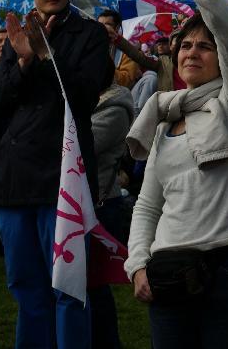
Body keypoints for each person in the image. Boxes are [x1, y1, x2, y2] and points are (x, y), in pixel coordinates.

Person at [125, 0, 228, 349]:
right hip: (169, 268)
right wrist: (138, 265)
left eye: (204, 47)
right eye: (185, 45)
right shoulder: (163, 119)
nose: (193, 52)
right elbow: (147, 205)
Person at [0, 0, 114, 349]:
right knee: (26, 288)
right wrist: (22, 61)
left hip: (64, 179)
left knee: (69, 288)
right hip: (15, 180)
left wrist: (43, 56)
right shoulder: (17, 35)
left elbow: (82, 92)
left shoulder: (90, 35)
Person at [88, 80, 135, 349]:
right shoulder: (81, 95)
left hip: (101, 204)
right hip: (80, 202)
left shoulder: (115, 106)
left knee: (95, 287)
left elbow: (81, 143)